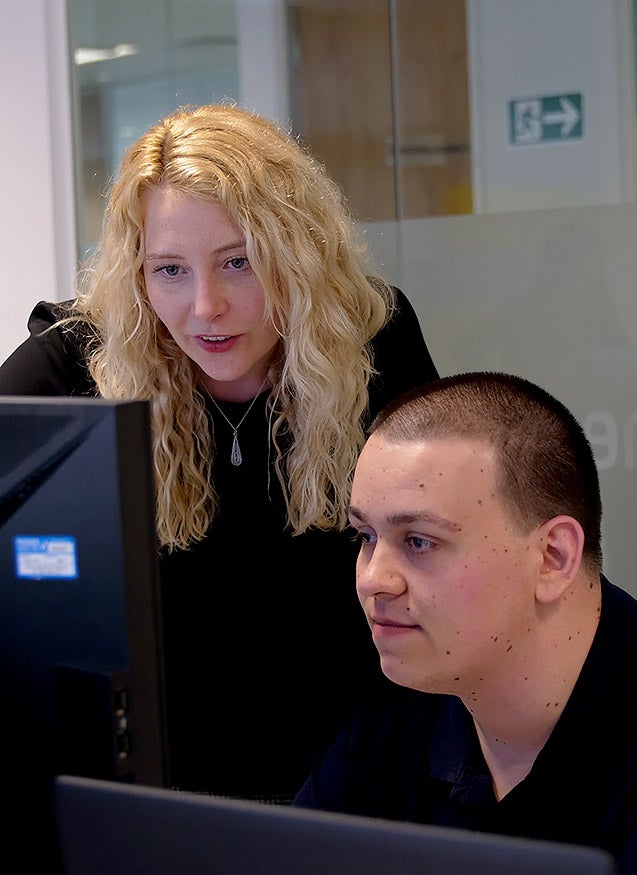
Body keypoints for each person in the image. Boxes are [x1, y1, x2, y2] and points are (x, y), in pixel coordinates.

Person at [0, 102, 438, 803]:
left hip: (348, 763)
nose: (205, 306)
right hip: (151, 778)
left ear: (295, 250)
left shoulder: (370, 337)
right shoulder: (78, 361)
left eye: (238, 262)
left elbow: (440, 540)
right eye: (168, 270)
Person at [293, 372, 637, 873]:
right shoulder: (398, 716)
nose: (373, 580)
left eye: (419, 541)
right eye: (365, 537)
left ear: (552, 557)